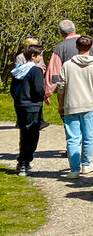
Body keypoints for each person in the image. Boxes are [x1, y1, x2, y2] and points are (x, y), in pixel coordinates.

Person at [56, 36, 93, 179]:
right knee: (88, 136)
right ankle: (86, 165)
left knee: (72, 138)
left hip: (71, 105)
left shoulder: (67, 65)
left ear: (77, 47)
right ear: (91, 47)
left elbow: (61, 87)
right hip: (89, 105)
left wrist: (61, 105)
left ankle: (74, 170)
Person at [45, 20, 93, 102]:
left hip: (69, 92)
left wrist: (48, 91)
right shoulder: (91, 44)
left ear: (61, 33)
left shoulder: (60, 47)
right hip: (90, 90)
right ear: (74, 29)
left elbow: (54, 73)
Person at [11, 43, 45, 176]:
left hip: (20, 104)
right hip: (33, 105)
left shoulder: (18, 70)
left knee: (23, 133)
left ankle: (22, 162)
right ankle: (25, 161)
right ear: (33, 56)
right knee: (32, 135)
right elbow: (38, 89)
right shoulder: (35, 71)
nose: (41, 58)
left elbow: (13, 90)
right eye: (40, 55)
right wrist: (42, 96)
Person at [14, 38, 49, 130]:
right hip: (26, 85)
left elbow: (42, 65)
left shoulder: (38, 57)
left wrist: (42, 69)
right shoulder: (20, 58)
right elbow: (18, 71)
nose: (41, 57)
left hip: (37, 77)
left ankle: (40, 120)